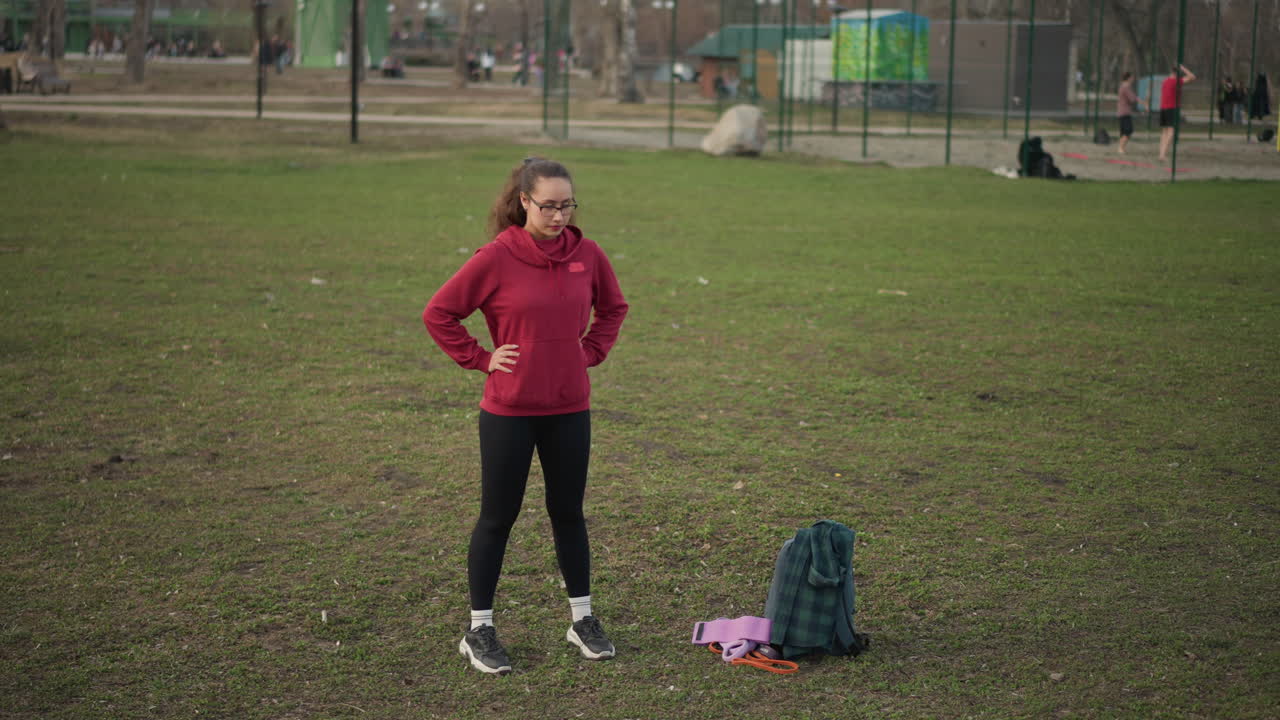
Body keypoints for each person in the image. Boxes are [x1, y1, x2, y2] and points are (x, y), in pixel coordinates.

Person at [423, 157, 629, 676]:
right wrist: (481, 357)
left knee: (569, 513)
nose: (559, 216)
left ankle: (582, 618)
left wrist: (589, 352)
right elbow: (439, 312)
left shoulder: (588, 255)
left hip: (568, 408)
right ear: (524, 202)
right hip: (509, 412)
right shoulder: (495, 258)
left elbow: (614, 308)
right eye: (548, 206)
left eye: (567, 205)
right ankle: (480, 629)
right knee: (498, 517)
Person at [1158, 64, 1195, 161]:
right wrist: (1183, 68)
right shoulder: (1176, 81)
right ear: (1177, 73)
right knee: (1171, 132)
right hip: (1171, 108)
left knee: (1164, 132)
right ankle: (1163, 154)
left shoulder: (1165, 81)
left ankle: (1161, 154)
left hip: (1163, 108)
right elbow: (1192, 77)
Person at [1116, 72, 1140, 154]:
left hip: (1122, 112)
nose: (1133, 79)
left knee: (1123, 132)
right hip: (1124, 112)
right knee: (1128, 131)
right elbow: (1132, 99)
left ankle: (1121, 148)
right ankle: (1120, 148)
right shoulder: (1126, 87)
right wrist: (1140, 101)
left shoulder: (1123, 86)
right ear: (1128, 78)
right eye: (1132, 78)